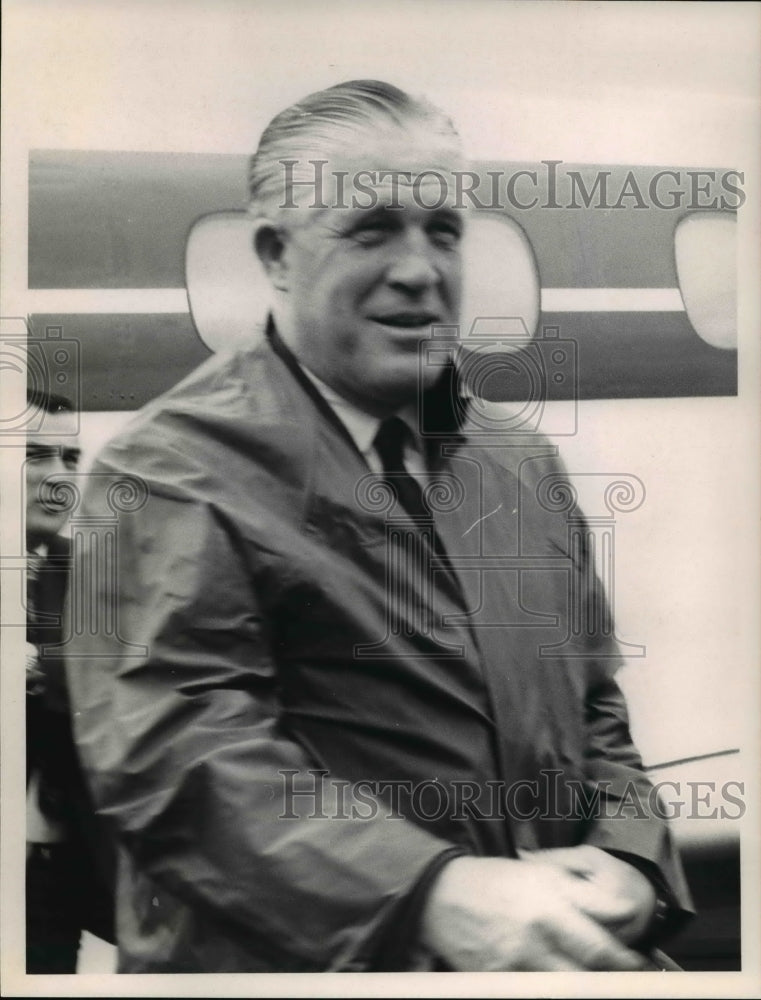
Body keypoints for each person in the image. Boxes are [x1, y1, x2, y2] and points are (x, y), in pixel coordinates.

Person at [65, 80, 692, 973]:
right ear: (276, 254)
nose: (419, 268)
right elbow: (174, 757)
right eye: (371, 228)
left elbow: (593, 709)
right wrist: (429, 895)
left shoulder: (517, 466)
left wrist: (632, 860)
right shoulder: (170, 471)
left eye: (442, 230)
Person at [25, 389, 115, 972]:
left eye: (72, 459)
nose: (60, 479)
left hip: (59, 871)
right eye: (35, 455)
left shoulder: (86, 580)